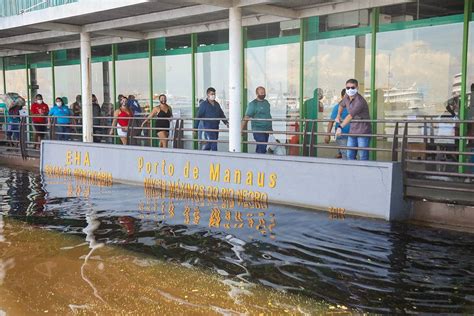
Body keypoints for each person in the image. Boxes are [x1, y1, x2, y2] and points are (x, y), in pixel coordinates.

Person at [336, 79, 371, 161]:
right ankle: (352, 172)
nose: (350, 90)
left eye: (352, 87)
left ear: (357, 87)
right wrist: (338, 115)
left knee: (363, 155)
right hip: (352, 131)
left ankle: (364, 172)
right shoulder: (346, 97)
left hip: (363, 131)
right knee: (350, 154)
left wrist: (340, 127)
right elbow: (341, 105)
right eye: (348, 88)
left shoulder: (360, 101)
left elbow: (350, 116)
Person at [241, 86, 273, 154]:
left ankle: (257, 159)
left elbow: (268, 115)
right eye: (261, 92)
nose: (263, 94)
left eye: (264, 92)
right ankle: (260, 161)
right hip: (258, 130)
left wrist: (270, 129)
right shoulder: (253, 104)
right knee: (262, 145)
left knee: (262, 147)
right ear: (257, 93)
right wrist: (242, 129)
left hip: (267, 130)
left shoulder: (266, 103)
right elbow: (246, 117)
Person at [325, 89, 349, 159]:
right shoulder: (337, 107)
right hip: (342, 135)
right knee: (347, 154)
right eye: (346, 97)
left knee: (348, 152)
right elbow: (331, 121)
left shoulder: (353, 106)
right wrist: (328, 135)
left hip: (352, 134)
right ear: (342, 97)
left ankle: (340, 155)